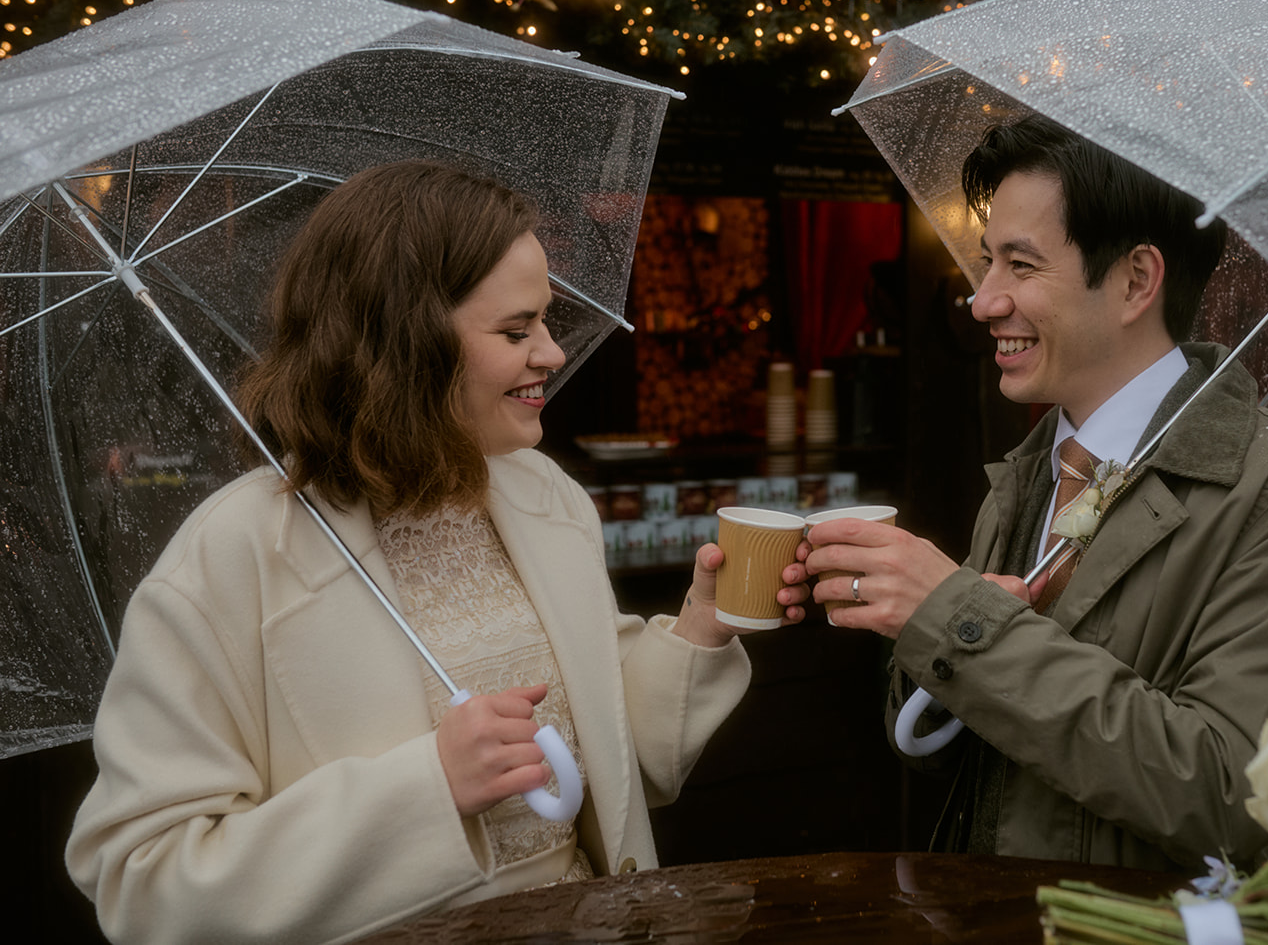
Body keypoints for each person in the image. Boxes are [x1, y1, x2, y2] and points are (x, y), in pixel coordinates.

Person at [66, 161, 808, 945]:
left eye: (546, 322)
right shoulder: (230, 557)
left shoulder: (542, 495)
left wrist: (700, 625)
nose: (552, 354)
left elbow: (608, 762)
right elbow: (143, 883)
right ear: (404, 342)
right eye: (516, 331)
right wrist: (430, 788)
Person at [799, 115, 1268, 872]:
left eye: (1020, 266)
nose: (983, 302)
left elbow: (1238, 798)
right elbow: (969, 764)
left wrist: (951, 615)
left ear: (1137, 280)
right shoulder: (1028, 471)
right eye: (988, 264)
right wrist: (925, 642)